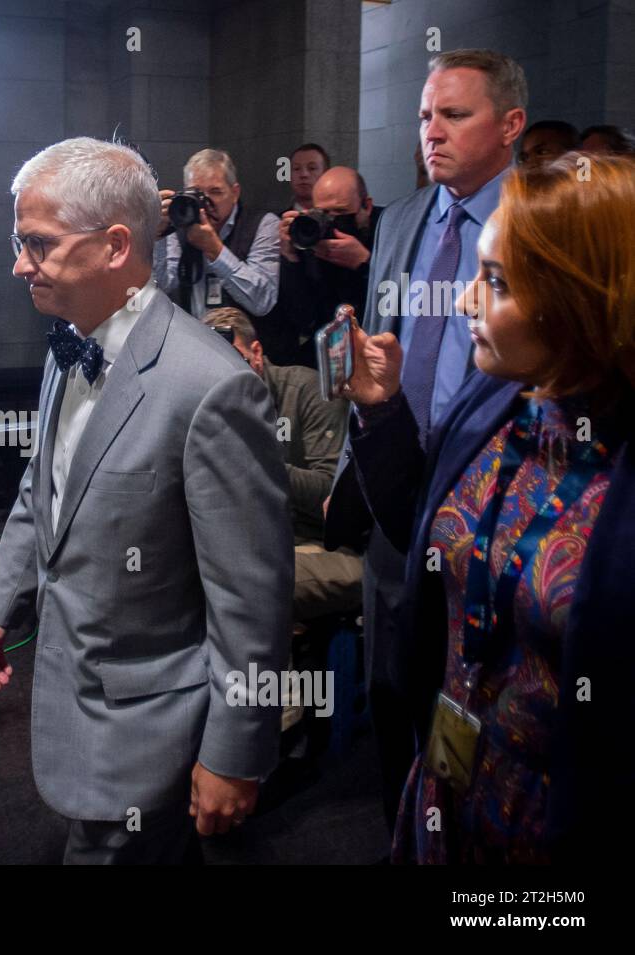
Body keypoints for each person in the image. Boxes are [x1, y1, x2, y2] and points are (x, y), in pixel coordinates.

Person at [0, 138, 293, 864]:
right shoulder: (70, 343)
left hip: (150, 730)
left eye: (37, 244)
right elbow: (40, 488)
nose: (20, 265)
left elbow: (252, 600)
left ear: (115, 246)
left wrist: (236, 750)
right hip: (75, 696)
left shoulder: (210, 387)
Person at [339, 153, 635, 862]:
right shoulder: (500, 398)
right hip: (449, 778)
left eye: (495, 282)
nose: (465, 300)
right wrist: (381, 414)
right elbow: (424, 526)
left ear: (582, 300)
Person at [326, 48, 527, 830]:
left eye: (454, 115)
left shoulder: (539, 225)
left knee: (475, 729)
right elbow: (387, 345)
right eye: (422, 116)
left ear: (509, 125)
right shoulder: (403, 219)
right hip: (392, 503)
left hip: (487, 513)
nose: (430, 133)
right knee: (393, 700)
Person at [202, 307, 359, 622]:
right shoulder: (207, 405)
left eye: (237, 362)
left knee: (248, 587)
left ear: (257, 352)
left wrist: (256, 461)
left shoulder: (308, 392)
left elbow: (331, 495)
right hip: (253, 544)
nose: (227, 378)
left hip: (327, 545)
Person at [267, 166, 382, 366]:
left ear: (367, 206)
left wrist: (365, 263)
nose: (331, 222)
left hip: (375, 349)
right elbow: (303, 318)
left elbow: (400, 303)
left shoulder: (388, 232)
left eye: (341, 212)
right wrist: (290, 256)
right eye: (323, 213)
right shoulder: (311, 237)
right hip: (325, 355)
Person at [152, 148, 280, 322]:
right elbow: (163, 286)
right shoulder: (179, 221)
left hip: (246, 344)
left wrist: (215, 250)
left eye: (215, 192)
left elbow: (263, 300)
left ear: (235, 193)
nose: (204, 202)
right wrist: (157, 233)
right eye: (196, 193)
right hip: (193, 339)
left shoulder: (264, 224)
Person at [287, 143, 330, 213]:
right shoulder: (276, 222)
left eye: (312, 168)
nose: (304, 174)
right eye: (296, 168)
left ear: (326, 174)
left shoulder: (338, 221)